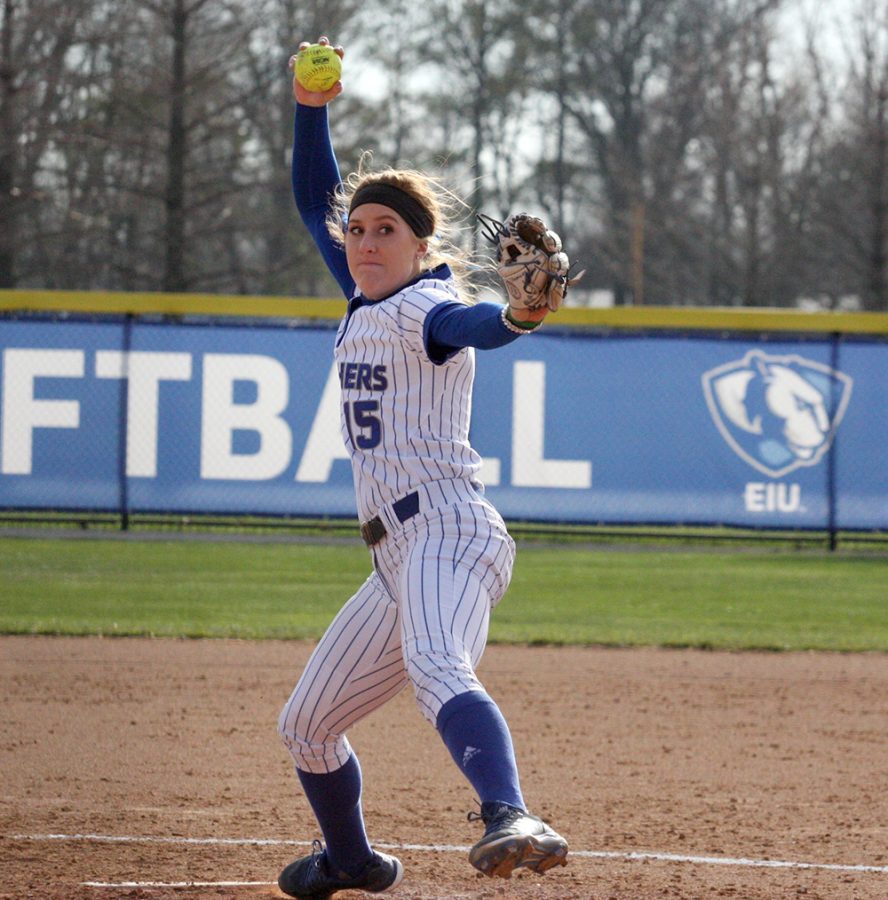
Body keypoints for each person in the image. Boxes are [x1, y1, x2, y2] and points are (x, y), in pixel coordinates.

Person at [276, 36, 569, 900]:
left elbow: (475, 325)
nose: (365, 241)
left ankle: (509, 814)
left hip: (449, 528)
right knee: (307, 726)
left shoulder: (428, 305)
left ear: (419, 244)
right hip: (393, 557)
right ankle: (352, 862)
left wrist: (517, 316)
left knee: (439, 662)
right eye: (358, 229)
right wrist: (308, 106)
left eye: (386, 231)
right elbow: (310, 199)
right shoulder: (368, 294)